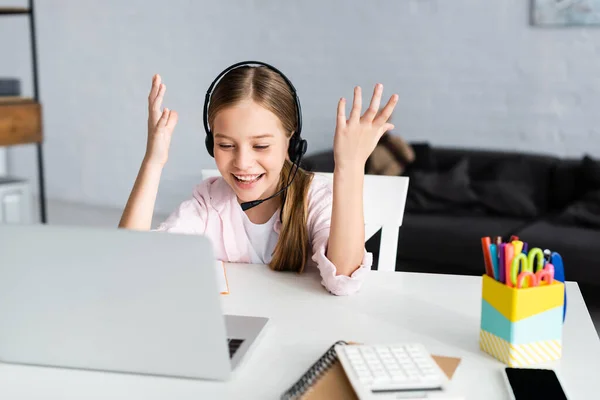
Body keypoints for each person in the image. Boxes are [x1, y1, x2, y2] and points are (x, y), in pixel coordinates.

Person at [118, 62, 398, 295]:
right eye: (226, 145)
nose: (242, 163)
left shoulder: (314, 199)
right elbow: (132, 264)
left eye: (261, 146)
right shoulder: (209, 203)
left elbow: (343, 281)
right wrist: (153, 162)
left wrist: (350, 166)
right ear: (210, 143)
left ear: (292, 143)